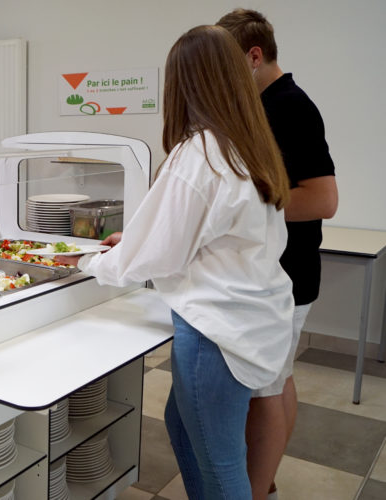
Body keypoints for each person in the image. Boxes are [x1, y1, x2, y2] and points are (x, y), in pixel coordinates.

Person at [56, 25, 294, 499]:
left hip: (216, 333)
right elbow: (205, 233)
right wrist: (139, 240)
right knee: (182, 425)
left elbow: (155, 253)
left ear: (184, 84)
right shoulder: (248, 145)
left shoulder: (200, 151)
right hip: (253, 318)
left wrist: (83, 262)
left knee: (221, 460)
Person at [217, 9, 338, 500]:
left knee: (265, 391)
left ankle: (256, 488)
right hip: (277, 275)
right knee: (277, 380)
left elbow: (323, 199)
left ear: (254, 55)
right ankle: (263, 481)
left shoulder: (289, 105)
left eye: (227, 64)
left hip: (287, 276)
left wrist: (247, 208)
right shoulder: (264, 105)